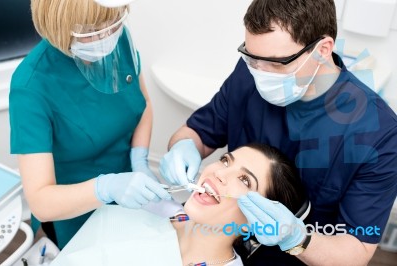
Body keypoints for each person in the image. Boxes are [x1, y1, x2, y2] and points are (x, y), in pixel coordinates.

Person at [160, 0, 397, 265]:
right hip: (220, 244)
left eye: (276, 63)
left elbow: (357, 250)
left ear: (323, 49)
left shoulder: (378, 133)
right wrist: (183, 146)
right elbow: (197, 133)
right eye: (251, 57)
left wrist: (298, 239)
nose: (261, 72)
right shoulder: (250, 72)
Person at [9, 0, 171, 249]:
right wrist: (106, 187)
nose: (106, 35)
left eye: (112, 22)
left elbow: (144, 104)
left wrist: (139, 160)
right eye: (91, 31)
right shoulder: (30, 87)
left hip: (132, 192)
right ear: (59, 25)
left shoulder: (118, 41)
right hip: (76, 214)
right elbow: (41, 200)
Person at [175, 143, 306, 266]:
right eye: (225, 161)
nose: (219, 173)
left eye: (245, 180)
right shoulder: (161, 207)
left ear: (259, 219)